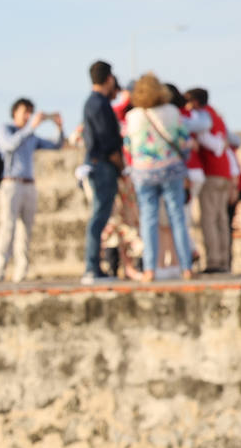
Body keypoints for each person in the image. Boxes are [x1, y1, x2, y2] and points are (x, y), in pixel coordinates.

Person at [123, 73, 193, 281]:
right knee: (177, 217)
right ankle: (186, 267)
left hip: (143, 171)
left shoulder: (132, 116)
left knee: (148, 219)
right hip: (170, 169)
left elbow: (128, 146)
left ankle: (149, 269)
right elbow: (184, 141)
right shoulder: (171, 112)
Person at [0, 99, 64, 282]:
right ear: (15, 112)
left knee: (26, 229)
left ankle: (21, 271)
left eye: (30, 112)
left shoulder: (31, 136)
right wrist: (31, 128)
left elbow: (55, 145)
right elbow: (9, 145)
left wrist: (59, 128)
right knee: (8, 226)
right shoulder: (6, 129)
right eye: (25, 112)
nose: (28, 116)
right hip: (11, 183)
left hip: (29, 184)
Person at [184, 87, 235, 273]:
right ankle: (224, 260)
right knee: (221, 219)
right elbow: (230, 142)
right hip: (224, 172)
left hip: (212, 172)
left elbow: (212, 143)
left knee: (209, 219)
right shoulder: (217, 116)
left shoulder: (203, 118)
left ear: (195, 103)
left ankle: (214, 261)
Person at [82, 60, 123, 284]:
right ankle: (92, 267)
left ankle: (93, 267)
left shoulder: (93, 103)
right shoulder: (99, 104)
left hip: (98, 163)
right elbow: (107, 140)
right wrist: (120, 165)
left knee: (99, 218)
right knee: (98, 218)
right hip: (103, 165)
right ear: (109, 79)